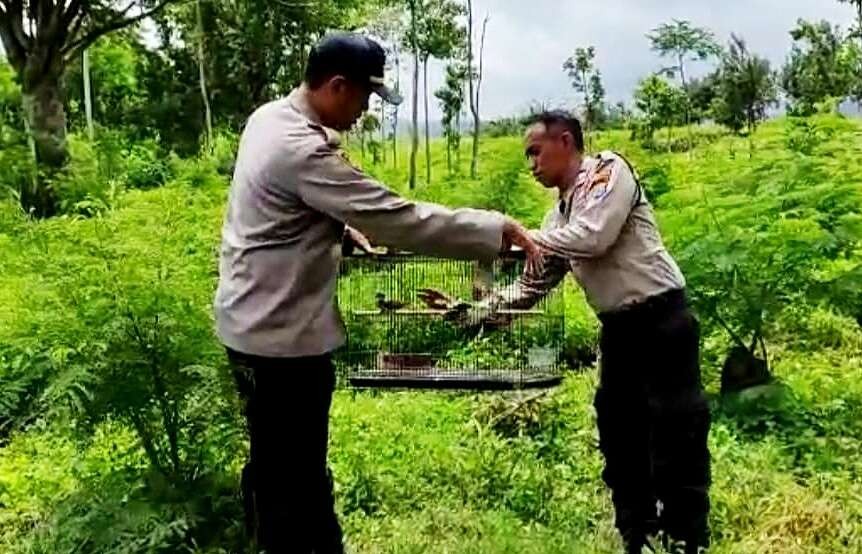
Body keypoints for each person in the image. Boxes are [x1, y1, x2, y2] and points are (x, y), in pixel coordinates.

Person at [212, 32, 539, 554]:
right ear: (337, 86)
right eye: (365, 97)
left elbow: (279, 208)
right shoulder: (301, 148)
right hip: (282, 343)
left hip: (247, 326)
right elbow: (397, 219)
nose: (365, 111)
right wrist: (493, 227)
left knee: (276, 463)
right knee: (294, 479)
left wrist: (340, 229)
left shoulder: (268, 117)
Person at [426, 111, 712, 554]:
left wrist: (517, 239)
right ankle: (639, 534)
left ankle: (686, 537)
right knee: (621, 434)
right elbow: (529, 287)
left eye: (535, 152)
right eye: (527, 156)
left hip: (661, 320)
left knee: (676, 430)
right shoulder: (554, 221)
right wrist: (471, 312)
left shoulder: (608, 171)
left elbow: (595, 235)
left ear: (565, 141)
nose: (531, 164)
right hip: (618, 329)